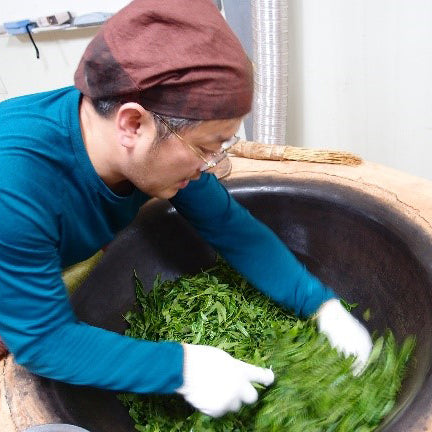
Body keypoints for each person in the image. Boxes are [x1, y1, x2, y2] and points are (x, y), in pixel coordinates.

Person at [0, 0, 372, 419]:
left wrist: (320, 305)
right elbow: (43, 340)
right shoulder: (13, 184)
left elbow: (228, 226)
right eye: (205, 148)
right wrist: (182, 368)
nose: (208, 167)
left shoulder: (144, 154)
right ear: (132, 124)